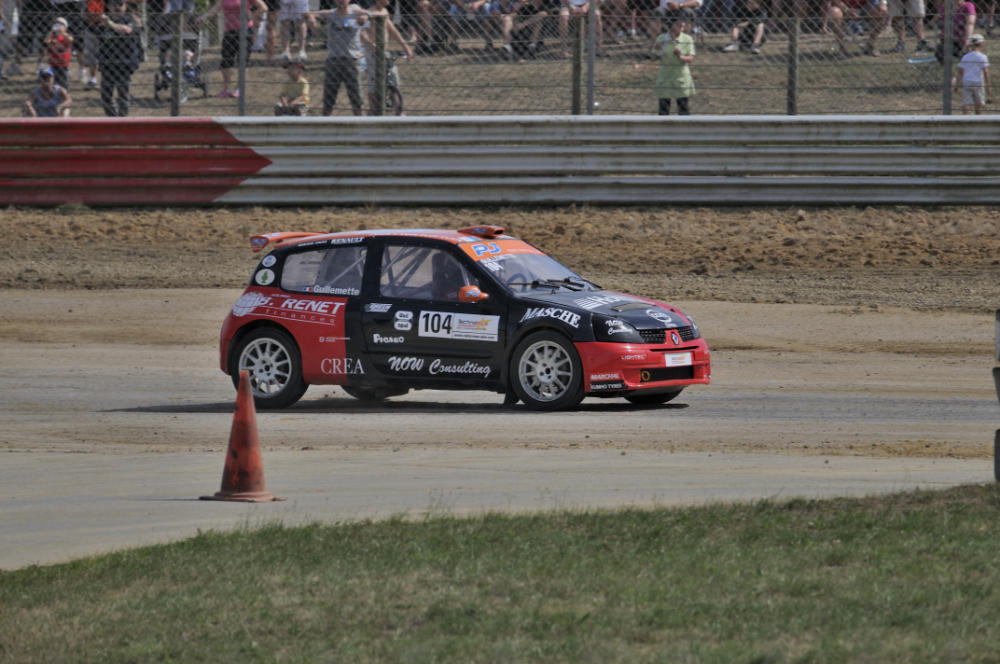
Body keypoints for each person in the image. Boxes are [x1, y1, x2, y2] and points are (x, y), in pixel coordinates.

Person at [309, 0, 369, 115]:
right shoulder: (330, 13)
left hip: (351, 59)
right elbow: (308, 13)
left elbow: (373, 14)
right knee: (328, 100)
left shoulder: (355, 12)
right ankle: (324, 126)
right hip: (333, 59)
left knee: (356, 100)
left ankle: (360, 125)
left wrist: (365, 16)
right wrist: (311, 18)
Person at [197, 0, 266, 97]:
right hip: (229, 32)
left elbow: (263, 7)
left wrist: (251, 17)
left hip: (244, 31)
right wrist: (205, 16)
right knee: (226, 60)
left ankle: (239, 88)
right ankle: (227, 89)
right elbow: (215, 8)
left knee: (242, 60)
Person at [362, 0, 413, 111]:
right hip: (373, 54)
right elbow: (361, 32)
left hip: (386, 52)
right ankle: (373, 112)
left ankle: (398, 113)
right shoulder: (370, 13)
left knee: (394, 81)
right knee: (374, 85)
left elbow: (393, 30)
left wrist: (406, 47)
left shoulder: (384, 11)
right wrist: (372, 45)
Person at [95, 0, 139, 115]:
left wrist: (109, 24)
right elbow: (98, 39)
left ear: (125, 7)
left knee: (123, 96)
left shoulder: (129, 19)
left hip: (124, 63)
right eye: (114, 4)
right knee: (106, 97)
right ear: (109, 6)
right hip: (107, 64)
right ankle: (112, 121)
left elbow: (127, 30)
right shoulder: (103, 22)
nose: (117, 7)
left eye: (120, 4)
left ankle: (123, 123)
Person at [652, 8, 693, 114]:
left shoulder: (688, 39)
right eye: (679, 21)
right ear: (671, 24)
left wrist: (681, 57)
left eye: (683, 21)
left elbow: (690, 59)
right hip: (665, 78)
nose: (682, 24)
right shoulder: (662, 38)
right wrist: (657, 49)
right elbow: (654, 58)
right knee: (663, 110)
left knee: (683, 109)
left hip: (681, 78)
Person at [956, 32, 989, 114]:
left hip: (967, 81)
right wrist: (988, 85)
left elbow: (960, 71)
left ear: (970, 45)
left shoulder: (965, 57)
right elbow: (985, 72)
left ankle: (965, 118)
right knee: (978, 103)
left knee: (966, 102)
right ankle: (977, 119)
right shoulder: (983, 57)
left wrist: (956, 84)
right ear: (982, 44)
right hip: (978, 82)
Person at [39, 16, 73, 88]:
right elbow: (46, 41)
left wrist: (63, 33)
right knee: (54, 80)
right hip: (53, 62)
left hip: (64, 63)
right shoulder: (52, 37)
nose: (58, 25)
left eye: (61, 24)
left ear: (65, 27)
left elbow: (70, 40)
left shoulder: (65, 36)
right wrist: (51, 31)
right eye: (56, 23)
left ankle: (65, 92)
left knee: (64, 80)